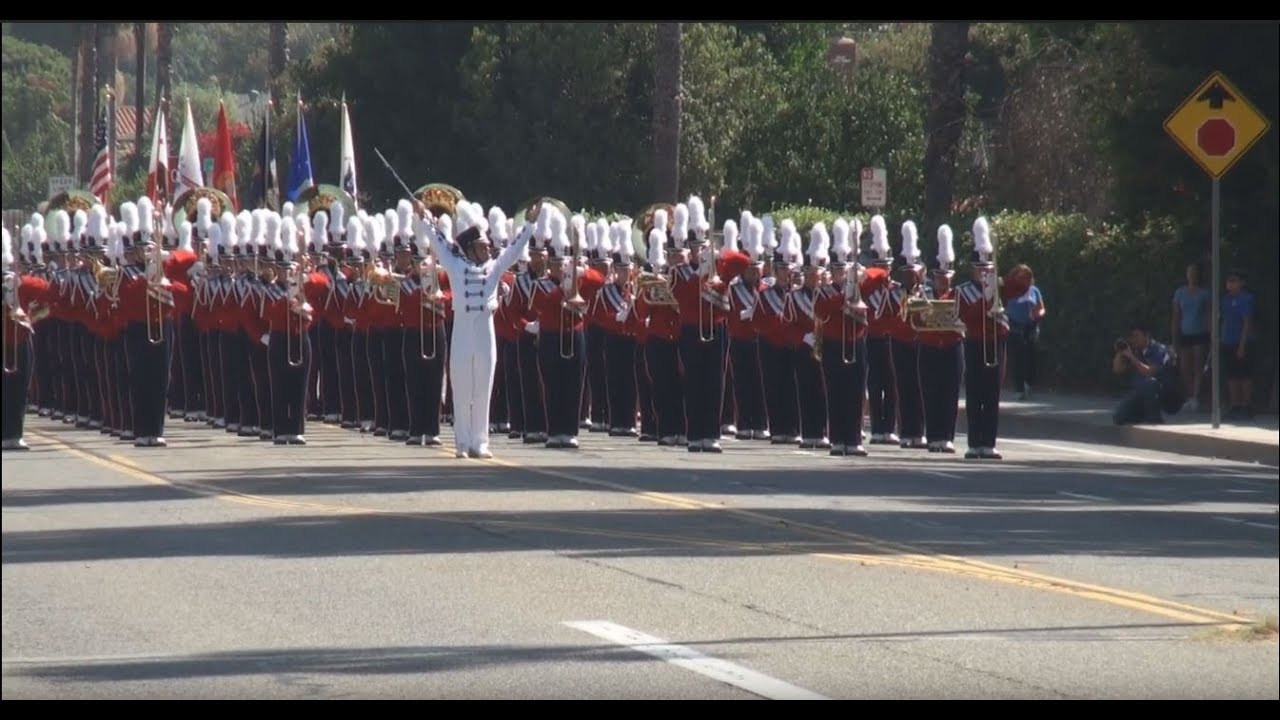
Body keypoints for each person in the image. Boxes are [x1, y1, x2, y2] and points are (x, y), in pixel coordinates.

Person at [417, 198, 536, 459]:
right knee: (460, 385)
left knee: (484, 385)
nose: (488, 250)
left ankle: (480, 442)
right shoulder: (456, 266)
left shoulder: (493, 268)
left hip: (485, 326)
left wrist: (530, 225)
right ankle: (462, 442)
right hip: (461, 326)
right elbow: (437, 241)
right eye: (483, 247)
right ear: (471, 248)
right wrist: (422, 217)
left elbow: (513, 251)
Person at [1111, 321, 1181, 425]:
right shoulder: (1134, 351)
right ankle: (1143, 417)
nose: (1134, 340)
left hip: (1162, 395)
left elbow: (1149, 372)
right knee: (1118, 417)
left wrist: (1131, 357)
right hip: (1140, 395)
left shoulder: (1160, 350)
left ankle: (1155, 420)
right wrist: (1120, 352)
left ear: (1147, 336)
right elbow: (1117, 370)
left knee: (1150, 383)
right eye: (1132, 337)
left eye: (1137, 336)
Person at [1003, 263, 1045, 400]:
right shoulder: (1009, 290)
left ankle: (1029, 383)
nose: (1023, 280)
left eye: (1026, 277)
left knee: (1032, 355)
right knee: (1017, 357)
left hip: (1031, 326)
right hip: (1014, 325)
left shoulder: (1034, 290)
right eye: (1020, 277)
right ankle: (1019, 388)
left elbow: (1041, 307)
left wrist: (1038, 314)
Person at [1171, 262, 1209, 411]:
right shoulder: (1180, 292)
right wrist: (1174, 336)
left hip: (1200, 333)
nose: (1192, 275)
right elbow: (1176, 315)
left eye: (1194, 272)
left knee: (1198, 366)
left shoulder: (1204, 293)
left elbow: (1208, 314)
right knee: (1184, 367)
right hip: (1185, 333)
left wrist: (1212, 334)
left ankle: (1196, 396)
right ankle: (1191, 395)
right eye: (1189, 272)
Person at [1220, 270, 1256, 420]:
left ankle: (1246, 406)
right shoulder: (1225, 299)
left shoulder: (1246, 299)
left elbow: (1247, 322)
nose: (1230, 284)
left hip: (1242, 342)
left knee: (1244, 375)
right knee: (1232, 375)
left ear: (1242, 283)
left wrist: (1242, 345)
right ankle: (1235, 406)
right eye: (1229, 281)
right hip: (1227, 341)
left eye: (1234, 280)